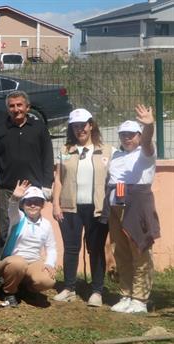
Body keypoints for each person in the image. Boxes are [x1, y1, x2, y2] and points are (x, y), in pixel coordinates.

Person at [51, 109, 112, 307]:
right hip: (70, 208)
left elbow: (115, 179)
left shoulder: (107, 150)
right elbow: (59, 180)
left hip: (97, 208)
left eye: (83, 125)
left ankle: (97, 291)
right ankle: (69, 288)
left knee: (95, 249)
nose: (80, 130)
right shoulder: (65, 151)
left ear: (91, 125)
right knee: (70, 248)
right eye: (75, 126)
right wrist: (55, 204)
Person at [0, 91, 54, 257]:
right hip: (6, 190)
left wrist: (46, 185)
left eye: (19, 105)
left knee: (28, 232)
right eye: (12, 106)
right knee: (5, 231)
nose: (16, 109)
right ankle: (1, 274)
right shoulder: (0, 129)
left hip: (33, 191)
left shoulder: (39, 128)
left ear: (27, 107)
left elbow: (48, 157)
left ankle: (25, 271)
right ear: (8, 109)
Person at [107, 105, 159, 314]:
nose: (127, 138)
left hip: (138, 205)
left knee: (140, 250)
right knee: (121, 252)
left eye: (131, 134)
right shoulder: (117, 156)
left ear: (138, 135)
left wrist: (149, 126)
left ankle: (140, 298)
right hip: (116, 206)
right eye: (123, 135)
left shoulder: (145, 153)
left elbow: (147, 141)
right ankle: (126, 294)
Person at [0, 181, 57, 308]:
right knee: (18, 263)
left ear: (42, 205)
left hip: (33, 262)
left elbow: (51, 248)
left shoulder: (46, 224)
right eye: (28, 201)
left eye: (37, 201)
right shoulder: (18, 218)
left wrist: (49, 264)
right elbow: (12, 209)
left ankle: (26, 290)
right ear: (23, 204)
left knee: (47, 280)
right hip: (13, 262)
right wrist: (14, 198)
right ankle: (9, 292)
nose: (32, 205)